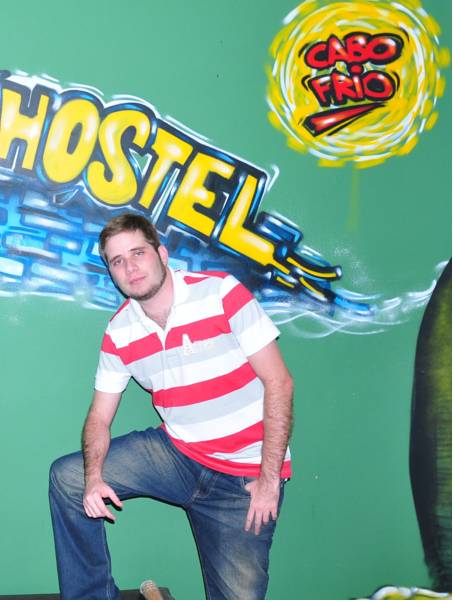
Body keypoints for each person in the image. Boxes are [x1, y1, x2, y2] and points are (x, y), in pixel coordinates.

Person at [49, 213, 293, 600]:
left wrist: (269, 477)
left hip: (243, 476)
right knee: (69, 478)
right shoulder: (120, 332)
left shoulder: (219, 293)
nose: (130, 267)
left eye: (138, 253)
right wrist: (93, 478)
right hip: (178, 455)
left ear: (161, 254)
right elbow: (99, 417)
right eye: (117, 261)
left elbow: (279, 383)